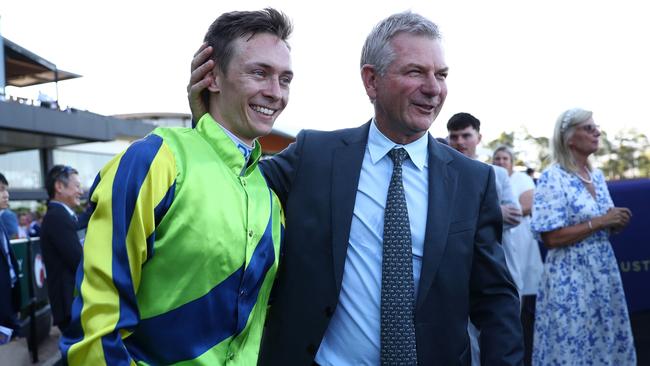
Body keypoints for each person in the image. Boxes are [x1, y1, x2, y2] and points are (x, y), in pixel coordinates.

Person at [189, 11, 523, 365]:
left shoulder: (474, 181)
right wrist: (208, 118)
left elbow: (495, 300)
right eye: (415, 72)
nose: (433, 88)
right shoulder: (314, 156)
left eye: (440, 74)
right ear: (371, 81)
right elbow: (232, 184)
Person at [60, 8, 290, 365]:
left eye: (285, 79)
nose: (275, 92)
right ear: (212, 77)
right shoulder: (154, 160)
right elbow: (96, 328)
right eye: (259, 73)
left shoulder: (271, 199)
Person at [531, 108, 636, 365]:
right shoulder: (552, 178)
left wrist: (615, 221)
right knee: (571, 344)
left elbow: (603, 223)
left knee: (605, 340)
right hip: (570, 277)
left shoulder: (597, 176)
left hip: (602, 272)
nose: (597, 132)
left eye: (596, 126)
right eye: (588, 128)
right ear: (569, 138)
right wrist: (601, 221)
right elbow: (551, 238)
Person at [446, 112, 522, 365]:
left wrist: (472, 215)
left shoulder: (497, 174)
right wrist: (492, 211)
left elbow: (515, 215)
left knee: (500, 333)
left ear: (478, 138)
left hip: (497, 267)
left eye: (466, 135)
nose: (460, 141)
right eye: (454, 136)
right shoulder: (442, 172)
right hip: (456, 272)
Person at [493, 145, 543, 366]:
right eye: (497, 158)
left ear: (512, 162)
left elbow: (524, 207)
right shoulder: (489, 176)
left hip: (523, 239)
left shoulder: (522, 179)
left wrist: (495, 211)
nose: (501, 161)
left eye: (505, 158)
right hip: (500, 241)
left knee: (527, 299)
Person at [40, 165, 84, 335]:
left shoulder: (62, 215)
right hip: (70, 307)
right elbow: (78, 260)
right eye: (77, 186)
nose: (80, 191)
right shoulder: (57, 217)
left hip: (71, 305)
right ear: (59, 186)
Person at [0, 173, 21, 338]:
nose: (6, 195)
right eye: (1, 190)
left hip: (9, 297)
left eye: (6, 190)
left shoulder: (2, 221)